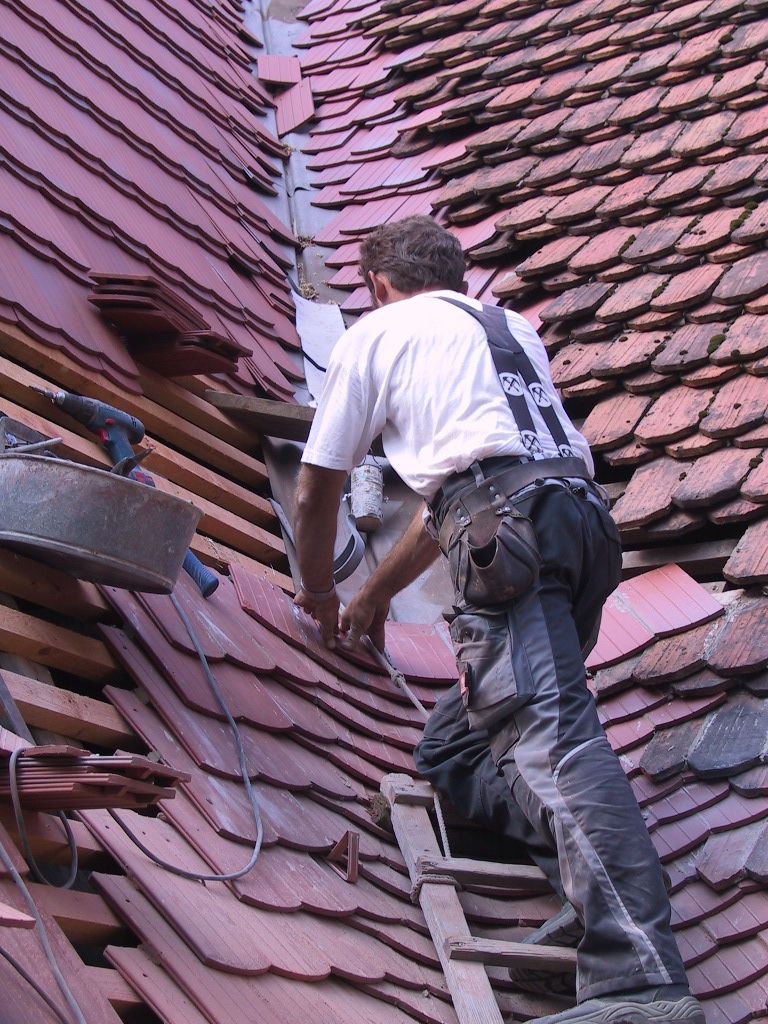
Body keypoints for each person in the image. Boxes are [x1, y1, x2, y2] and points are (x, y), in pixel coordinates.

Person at [292, 215, 702, 1024]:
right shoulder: (507, 327)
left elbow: (314, 491)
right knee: (454, 752)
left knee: (550, 739)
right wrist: (376, 596)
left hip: (511, 534)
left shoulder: (378, 333)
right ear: (457, 271)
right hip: (579, 526)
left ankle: (641, 979)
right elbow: (461, 490)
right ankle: (590, 899)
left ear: (378, 286)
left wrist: (320, 593)